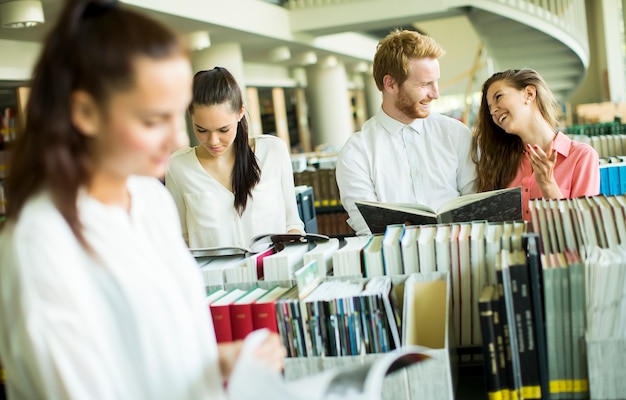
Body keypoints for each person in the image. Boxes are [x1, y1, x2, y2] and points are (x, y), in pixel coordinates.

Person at [0, 1, 284, 400]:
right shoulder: (40, 243)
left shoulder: (149, 200)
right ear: (85, 112)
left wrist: (220, 362)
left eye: (176, 117)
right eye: (153, 120)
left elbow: (158, 358)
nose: (174, 140)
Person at [335, 29, 477, 236]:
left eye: (436, 81)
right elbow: (367, 227)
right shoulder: (356, 151)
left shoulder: (456, 134)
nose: (436, 93)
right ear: (390, 84)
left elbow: (475, 205)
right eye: (424, 84)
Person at [165, 67, 304, 248]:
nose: (213, 141)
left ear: (240, 112)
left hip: (272, 272)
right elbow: (180, 240)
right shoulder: (178, 166)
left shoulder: (273, 152)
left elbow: (292, 224)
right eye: (201, 130)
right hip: (211, 276)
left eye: (223, 130)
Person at [471, 68, 600, 221]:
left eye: (498, 97)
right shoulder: (501, 163)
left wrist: (548, 185)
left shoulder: (581, 156)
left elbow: (583, 230)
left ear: (529, 94)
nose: (493, 111)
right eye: (490, 108)